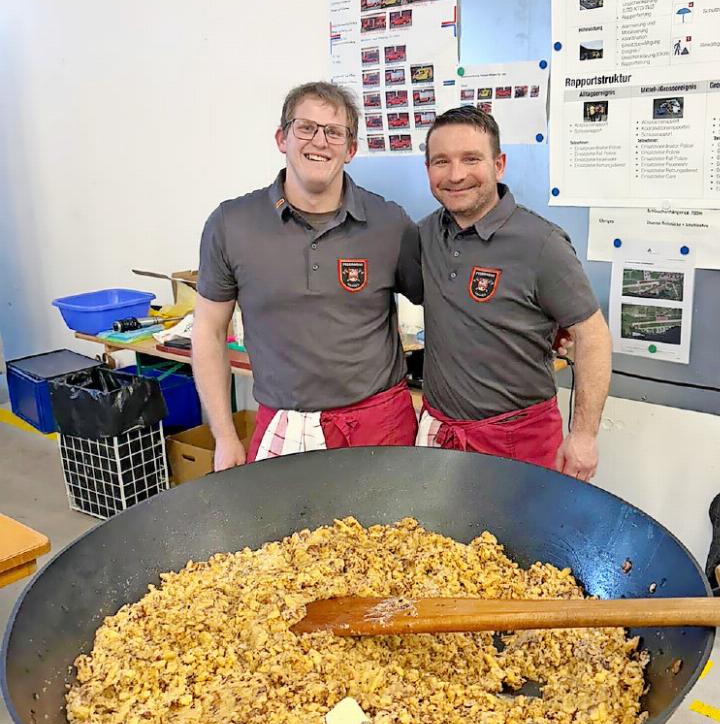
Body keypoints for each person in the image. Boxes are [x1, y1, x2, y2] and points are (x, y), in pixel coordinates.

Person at [193, 81, 422, 468]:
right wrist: (225, 437)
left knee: (391, 530)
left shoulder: (389, 223)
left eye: (334, 132)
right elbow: (208, 331)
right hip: (284, 424)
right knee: (286, 529)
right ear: (282, 138)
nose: (320, 141)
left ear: (350, 150)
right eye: (306, 128)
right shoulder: (231, 224)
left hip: (381, 426)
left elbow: (445, 300)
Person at [416, 105, 611, 482]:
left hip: (519, 440)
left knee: (520, 542)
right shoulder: (424, 235)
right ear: (428, 170)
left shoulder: (542, 243)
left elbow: (593, 336)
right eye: (441, 161)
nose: (456, 175)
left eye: (471, 159)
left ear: (499, 164)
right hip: (441, 436)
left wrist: (584, 436)